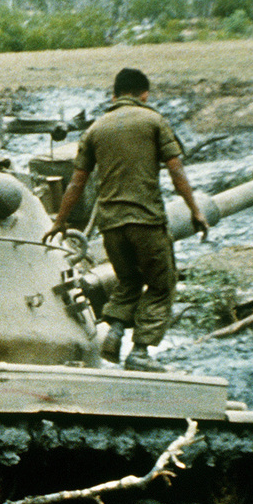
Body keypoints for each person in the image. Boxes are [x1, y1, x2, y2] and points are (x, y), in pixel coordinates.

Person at [43, 68, 210, 372]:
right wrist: (195, 211)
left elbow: (76, 183)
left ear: (114, 95)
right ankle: (141, 352)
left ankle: (115, 333)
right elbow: (176, 171)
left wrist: (60, 222)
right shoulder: (153, 121)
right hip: (146, 220)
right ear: (144, 93)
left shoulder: (95, 129)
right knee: (162, 285)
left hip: (111, 226)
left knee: (128, 281)